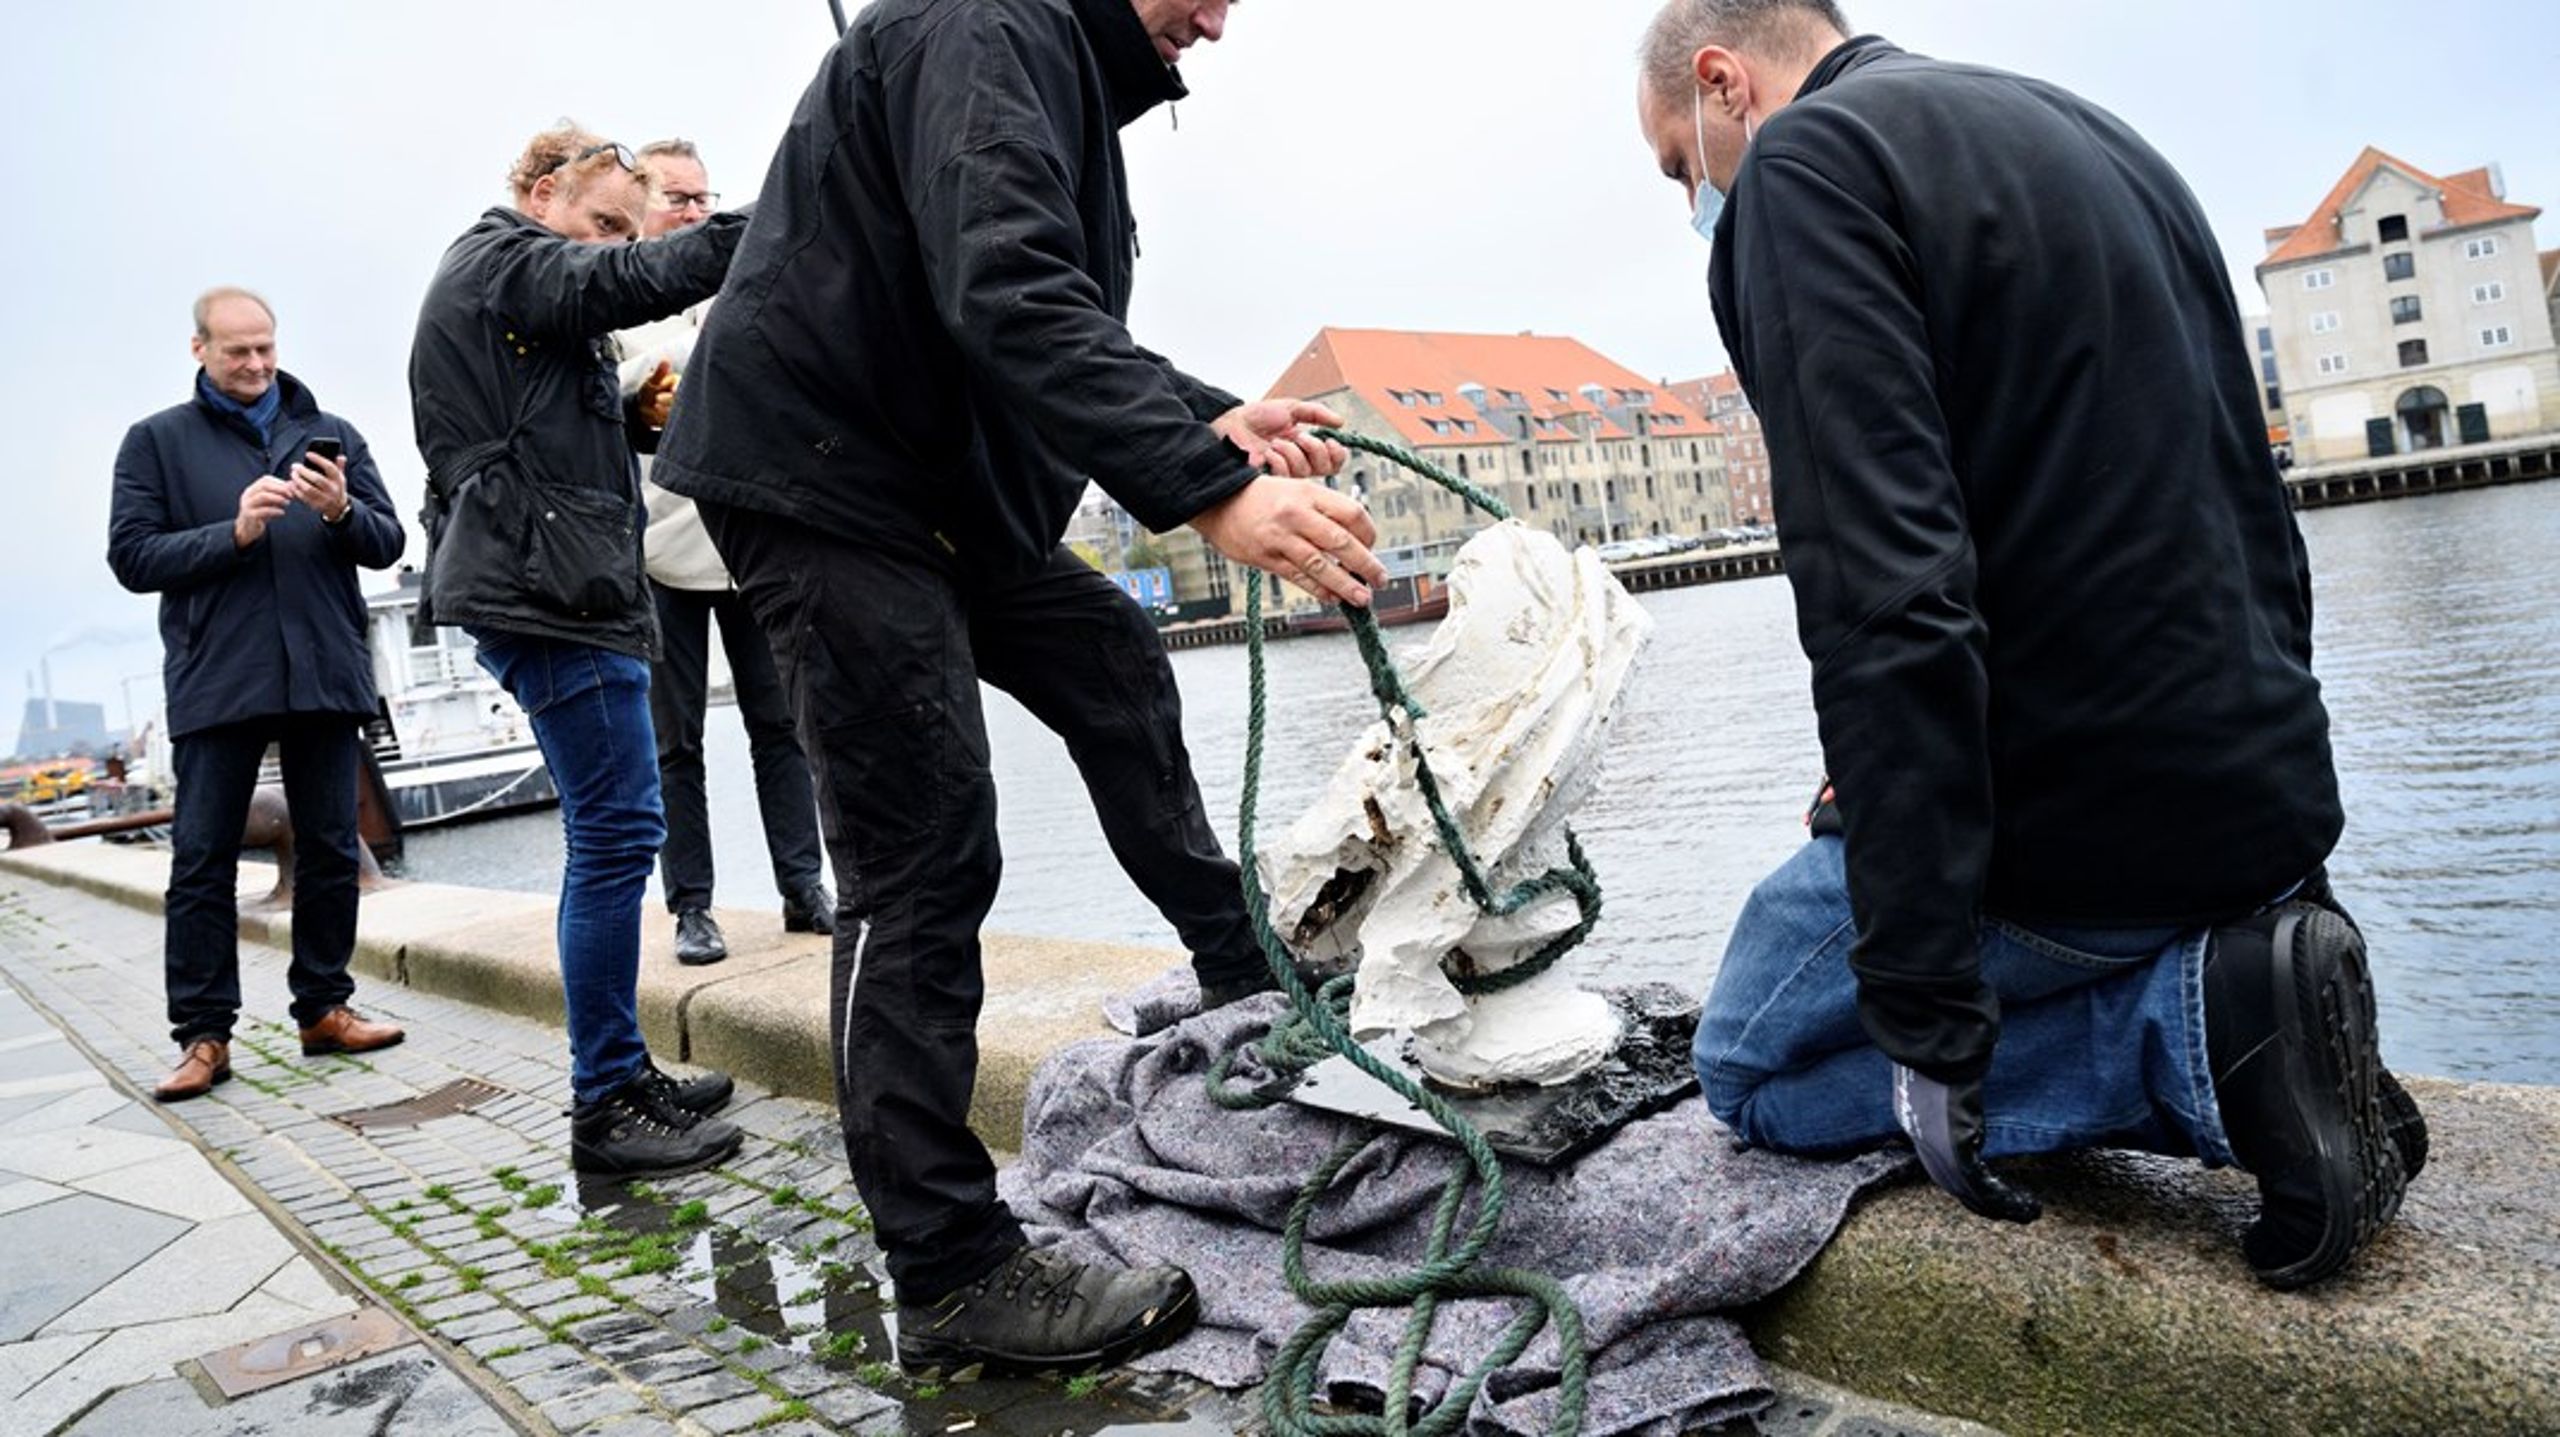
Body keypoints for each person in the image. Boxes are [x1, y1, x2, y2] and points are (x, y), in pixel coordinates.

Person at [1635, 0, 2423, 1288]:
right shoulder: (2104, 141)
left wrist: (1929, 992)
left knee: (1748, 1067)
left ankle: (2210, 1046)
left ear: (1723, 84)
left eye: (1680, 165)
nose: (1692, 202)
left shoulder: (1804, 165)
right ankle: (2269, 977)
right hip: (2254, 805)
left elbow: (1885, 591)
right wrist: (2296, 866)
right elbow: (2249, 518)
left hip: (2068, 827)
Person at [652, 0, 1385, 1375]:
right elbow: (1005, 290)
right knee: (921, 845)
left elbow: (1016, 295)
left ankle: (1241, 960)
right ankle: (947, 1267)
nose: (1219, 24)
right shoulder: (984, 23)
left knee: (1110, 657)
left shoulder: (1048, 61)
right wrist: (1208, 490)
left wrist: (1208, 413)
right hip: (830, 480)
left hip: (939, 489)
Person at [408, 124, 751, 1178]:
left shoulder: (511, 289)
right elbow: (641, 278)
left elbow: (541, 424)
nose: (611, 247)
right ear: (543, 192)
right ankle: (605, 1102)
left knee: (614, 831)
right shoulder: (503, 258)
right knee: (613, 837)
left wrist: (627, 412)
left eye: (623, 230)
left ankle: (623, 1071)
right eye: (602, 224)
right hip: (547, 590)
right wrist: (786, 217)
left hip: (550, 580)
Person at [108, 287, 408, 1102]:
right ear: (199, 348)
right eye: (237, 350)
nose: (255, 364)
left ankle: (324, 1009)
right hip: (219, 679)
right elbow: (132, 558)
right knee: (201, 860)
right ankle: (204, 1038)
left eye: (266, 348)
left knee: (330, 847)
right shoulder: (155, 443)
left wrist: (343, 509)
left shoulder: (330, 435)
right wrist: (232, 532)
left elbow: (389, 543)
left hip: (322, 672)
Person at [613, 139, 832, 967]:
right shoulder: (617, 299)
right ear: (643, 210)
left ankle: (803, 886)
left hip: (749, 535)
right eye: (678, 198)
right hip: (657, 549)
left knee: (783, 725)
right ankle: (692, 906)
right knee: (675, 741)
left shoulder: (748, 282)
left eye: (706, 199)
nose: (698, 213)